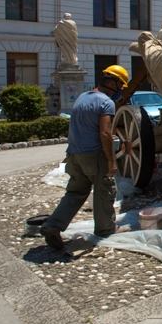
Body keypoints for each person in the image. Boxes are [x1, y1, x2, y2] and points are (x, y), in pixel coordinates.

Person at [40, 64, 130, 250]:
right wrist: (111, 161)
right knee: (104, 190)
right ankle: (106, 228)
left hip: (74, 154)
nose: (121, 89)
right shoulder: (106, 102)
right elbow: (105, 133)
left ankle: (53, 226)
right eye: (121, 85)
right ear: (112, 82)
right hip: (94, 156)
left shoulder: (82, 97)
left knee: (75, 193)